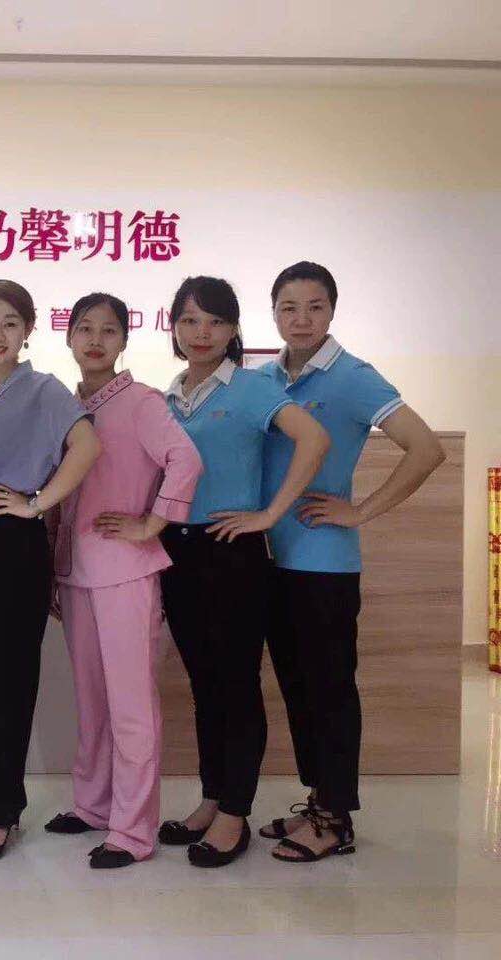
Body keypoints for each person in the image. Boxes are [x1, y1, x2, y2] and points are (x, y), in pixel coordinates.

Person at [257, 261, 445, 862]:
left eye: (314, 306)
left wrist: (361, 510)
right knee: (297, 687)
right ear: (274, 314)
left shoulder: (354, 377)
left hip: (324, 564)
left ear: (332, 311)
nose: (301, 319)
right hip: (270, 559)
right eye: (289, 308)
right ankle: (319, 800)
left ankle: (336, 819)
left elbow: (426, 449)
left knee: (330, 689)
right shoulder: (264, 377)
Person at [154, 276, 328, 868]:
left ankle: (236, 813)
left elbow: (314, 440)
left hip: (232, 554)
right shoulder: (169, 397)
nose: (202, 333)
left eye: (215, 321)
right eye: (189, 320)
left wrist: (269, 514)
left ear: (232, 329)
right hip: (177, 553)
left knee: (235, 684)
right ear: (174, 327)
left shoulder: (252, 388)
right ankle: (212, 797)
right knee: (204, 685)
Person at [0, 280, 100, 866]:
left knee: (9, 681)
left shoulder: (45, 390)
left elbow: (87, 447)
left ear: (28, 330)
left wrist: (36, 503)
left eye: (10, 322)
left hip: (12, 540)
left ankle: (0, 813)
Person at [44, 292, 203, 869]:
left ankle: (133, 832)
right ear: (68, 336)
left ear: (124, 340)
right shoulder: (64, 405)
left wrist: (151, 523)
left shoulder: (141, 402)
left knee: (131, 704)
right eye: (84, 328)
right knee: (91, 699)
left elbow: (186, 459)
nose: (95, 340)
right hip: (74, 574)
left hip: (126, 573)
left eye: (108, 330)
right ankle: (93, 805)